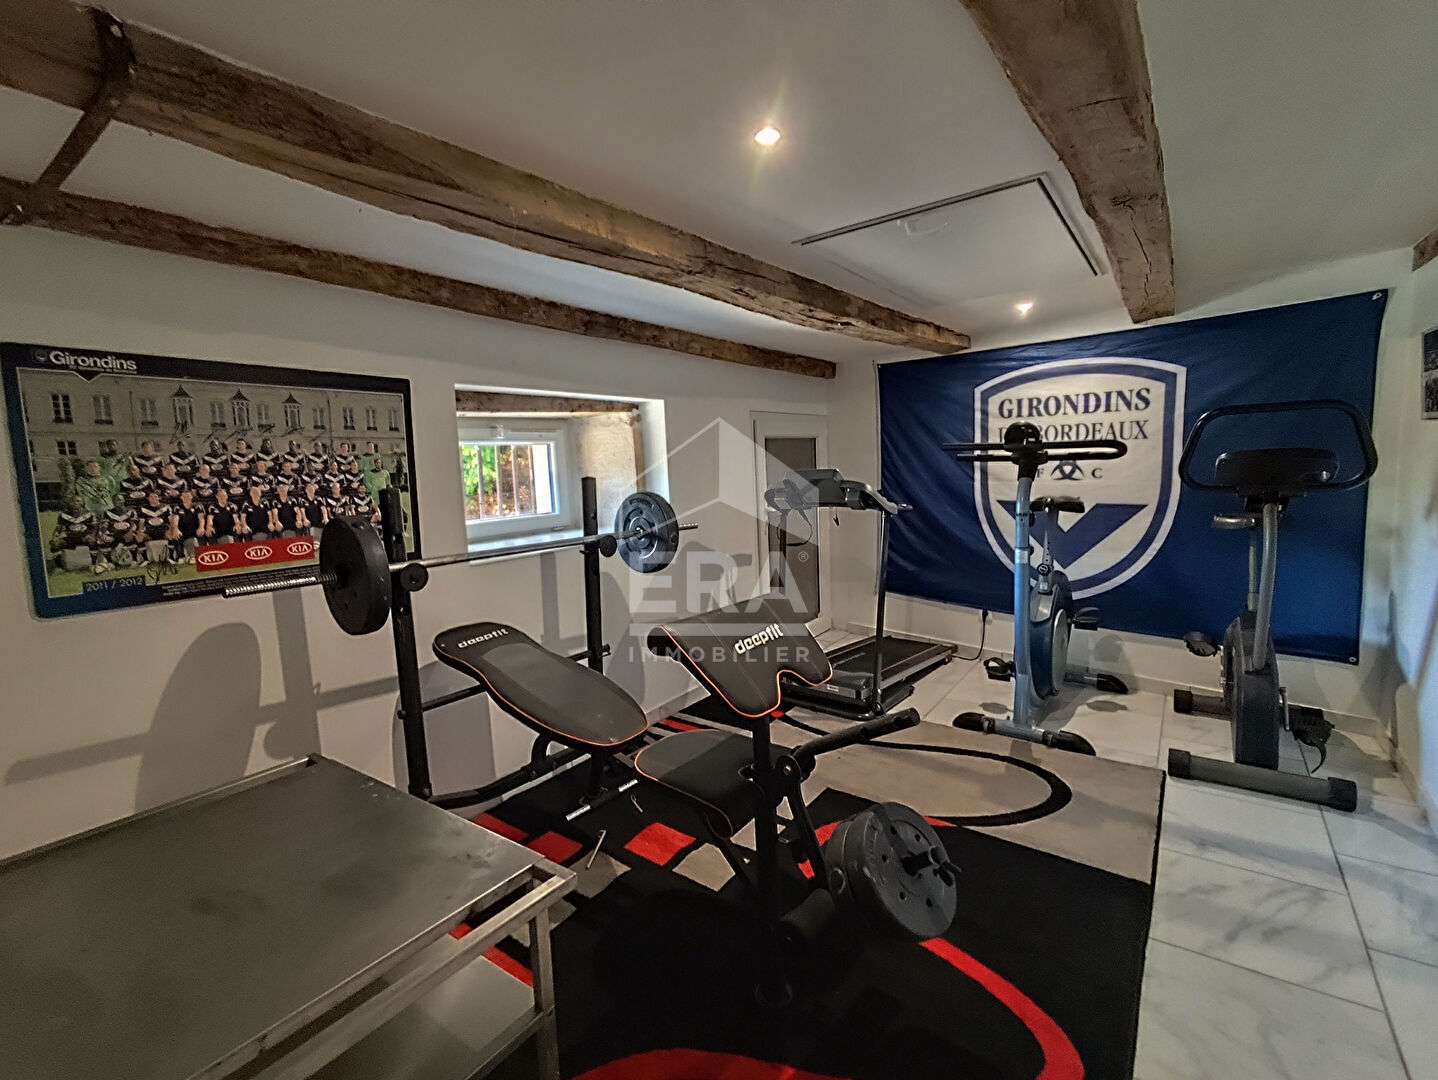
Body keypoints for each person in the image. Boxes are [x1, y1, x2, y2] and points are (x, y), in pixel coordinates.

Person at [50, 495, 97, 572]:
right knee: (55, 543)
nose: (75, 503)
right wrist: (56, 536)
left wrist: (91, 536)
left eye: (78, 501)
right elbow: (58, 529)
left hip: (84, 537)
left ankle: (94, 564)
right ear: (69, 503)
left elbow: (94, 528)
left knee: (92, 542)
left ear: (82, 503)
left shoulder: (89, 514)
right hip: (69, 538)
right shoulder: (63, 515)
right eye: (72, 501)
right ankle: (59, 567)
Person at [97, 503, 139, 572]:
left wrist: (130, 532)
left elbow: (134, 523)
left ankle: (135, 561)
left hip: (127, 532)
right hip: (114, 533)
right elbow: (105, 525)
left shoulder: (131, 511)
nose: (119, 502)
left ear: (124, 501)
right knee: (101, 540)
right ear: (114, 502)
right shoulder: (108, 512)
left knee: (130, 537)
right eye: (117, 500)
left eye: (121, 500)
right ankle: (110, 563)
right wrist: (103, 533)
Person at [137, 490, 173, 564]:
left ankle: (171, 557)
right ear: (148, 498)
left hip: (162, 529)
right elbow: (141, 522)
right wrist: (140, 530)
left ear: (159, 498)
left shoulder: (165, 507)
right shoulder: (143, 509)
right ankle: (145, 559)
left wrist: (172, 529)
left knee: (171, 534)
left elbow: (170, 520)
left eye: (155, 496)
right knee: (139, 537)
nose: (153, 498)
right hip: (149, 530)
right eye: (151, 496)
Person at [169, 489, 204, 562]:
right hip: (183, 531)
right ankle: (181, 556)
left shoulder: (198, 506)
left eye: (188, 496)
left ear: (191, 497)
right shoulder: (177, 507)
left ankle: (201, 555)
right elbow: (175, 518)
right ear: (181, 498)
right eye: (184, 496)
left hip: (195, 530)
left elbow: (201, 518)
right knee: (176, 535)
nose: (186, 498)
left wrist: (201, 527)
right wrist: (175, 529)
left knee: (203, 534)